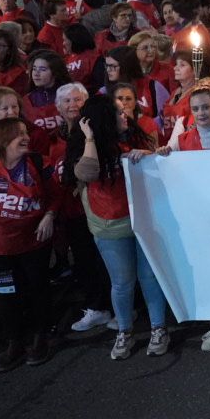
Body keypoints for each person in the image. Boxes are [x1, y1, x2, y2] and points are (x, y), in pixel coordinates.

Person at [65, 93, 170, 359]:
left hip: (144, 220)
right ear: (104, 121)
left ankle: (159, 328)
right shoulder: (87, 146)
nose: (126, 116)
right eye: (119, 114)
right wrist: (90, 137)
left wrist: (148, 154)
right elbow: (87, 173)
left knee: (149, 277)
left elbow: (159, 165)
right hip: (109, 224)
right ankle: (124, 331)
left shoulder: (136, 136)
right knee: (122, 283)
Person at [0, 117, 61, 370]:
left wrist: (49, 216)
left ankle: (41, 337)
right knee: (6, 296)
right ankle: (14, 342)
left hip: (33, 243)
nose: (26, 138)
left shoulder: (38, 162)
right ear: (3, 140)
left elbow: (57, 195)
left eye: (26, 133)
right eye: (19, 135)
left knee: (38, 289)